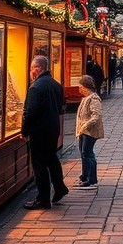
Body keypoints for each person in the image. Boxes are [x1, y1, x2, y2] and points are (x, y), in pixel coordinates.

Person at [21, 54, 68, 209]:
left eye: (31, 69)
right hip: (53, 129)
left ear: (37, 68)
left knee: (39, 165)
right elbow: (62, 106)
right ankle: (60, 187)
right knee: (52, 159)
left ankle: (43, 199)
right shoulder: (56, 84)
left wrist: (24, 130)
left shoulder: (35, 87)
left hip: (39, 131)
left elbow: (30, 111)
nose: (30, 72)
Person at [74, 74, 104, 188]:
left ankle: (91, 179)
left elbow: (96, 115)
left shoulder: (93, 98)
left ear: (86, 87)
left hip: (90, 132)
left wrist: (85, 125)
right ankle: (85, 176)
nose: (79, 89)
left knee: (88, 154)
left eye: (81, 87)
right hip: (83, 131)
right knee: (84, 154)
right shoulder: (85, 98)